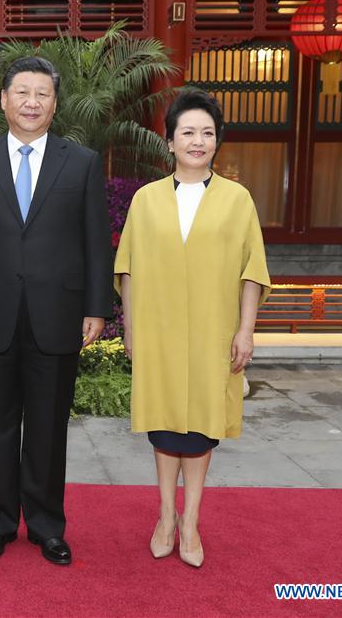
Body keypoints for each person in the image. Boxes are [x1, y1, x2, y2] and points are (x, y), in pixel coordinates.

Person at [0, 57, 113, 565]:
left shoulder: (81, 162)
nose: (31, 103)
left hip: (58, 313)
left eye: (42, 94)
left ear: (54, 104)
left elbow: (94, 241)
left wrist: (95, 306)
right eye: (22, 92)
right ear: (3, 100)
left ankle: (46, 526)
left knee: (47, 427)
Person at [114, 89, 271, 568]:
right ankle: (165, 516)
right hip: (158, 331)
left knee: (201, 430)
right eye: (188, 132)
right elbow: (128, 271)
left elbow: (252, 271)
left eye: (207, 132)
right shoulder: (146, 200)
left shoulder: (236, 199)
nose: (197, 141)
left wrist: (245, 330)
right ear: (170, 141)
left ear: (217, 141)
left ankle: (191, 522)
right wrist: (132, 332)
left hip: (212, 332)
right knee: (164, 428)